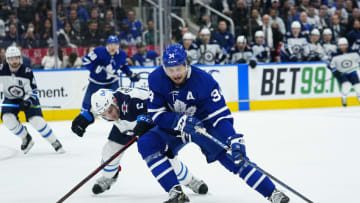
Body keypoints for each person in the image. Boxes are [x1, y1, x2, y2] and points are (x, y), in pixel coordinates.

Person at [137, 44, 290, 203]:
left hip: (203, 127)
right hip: (174, 127)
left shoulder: (204, 81)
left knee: (235, 158)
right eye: (170, 70)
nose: (175, 74)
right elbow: (157, 113)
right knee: (146, 143)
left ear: (186, 63)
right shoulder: (156, 78)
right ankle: (176, 193)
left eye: (179, 68)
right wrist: (179, 121)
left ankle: (272, 193)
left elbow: (220, 116)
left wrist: (233, 138)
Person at [73, 87, 209, 195]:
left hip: (149, 127)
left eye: (110, 110)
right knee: (108, 153)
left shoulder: (132, 100)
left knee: (165, 158)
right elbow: (96, 109)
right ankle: (109, 177)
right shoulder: (107, 103)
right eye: (105, 115)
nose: (111, 115)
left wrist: (144, 121)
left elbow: (155, 107)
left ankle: (190, 180)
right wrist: (86, 117)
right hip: (124, 128)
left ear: (114, 100)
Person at [71, 35, 140, 138]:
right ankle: (82, 124)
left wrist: (130, 74)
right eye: (111, 44)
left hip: (112, 82)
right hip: (96, 83)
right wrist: (94, 69)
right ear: (107, 45)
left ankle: (124, 125)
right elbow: (86, 60)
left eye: (115, 44)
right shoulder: (99, 51)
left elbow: (123, 66)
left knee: (118, 103)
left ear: (118, 45)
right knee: (86, 105)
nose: (113, 47)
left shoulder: (121, 54)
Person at [0, 46, 64, 154]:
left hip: (27, 99)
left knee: (36, 121)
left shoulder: (26, 71)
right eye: (11, 59)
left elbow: (34, 91)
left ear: (20, 58)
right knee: (7, 119)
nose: (14, 61)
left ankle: (54, 142)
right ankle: (26, 138)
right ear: (7, 59)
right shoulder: (1, 69)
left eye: (16, 58)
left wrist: (28, 101)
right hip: (10, 99)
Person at [329, 38, 360, 107]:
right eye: (341, 45)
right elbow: (331, 65)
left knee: (358, 88)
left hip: (353, 73)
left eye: (344, 45)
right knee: (346, 86)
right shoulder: (335, 55)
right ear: (338, 46)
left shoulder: (354, 53)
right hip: (343, 74)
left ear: (347, 45)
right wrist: (335, 72)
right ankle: (344, 98)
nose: (343, 47)